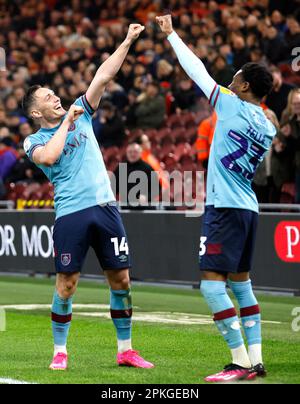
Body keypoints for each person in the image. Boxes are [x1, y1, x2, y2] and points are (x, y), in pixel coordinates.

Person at [22, 24, 154, 371]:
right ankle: (60, 351)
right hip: (71, 214)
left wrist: (127, 41)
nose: (55, 97)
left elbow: (102, 76)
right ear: (36, 113)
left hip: (105, 208)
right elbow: (50, 157)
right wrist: (67, 121)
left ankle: (125, 350)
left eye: (54, 93)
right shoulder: (33, 141)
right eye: (47, 97)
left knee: (121, 280)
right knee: (67, 285)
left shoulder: (82, 110)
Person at [157, 14, 276, 383]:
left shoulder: (228, 102)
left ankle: (239, 362)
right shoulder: (268, 125)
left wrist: (172, 35)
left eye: (237, 76)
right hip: (248, 208)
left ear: (243, 86)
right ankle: (256, 361)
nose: (231, 78)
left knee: (212, 285)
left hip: (224, 206)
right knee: (242, 285)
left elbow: (197, 71)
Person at [114, 142, 160, 209]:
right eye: (130, 152)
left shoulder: (148, 168)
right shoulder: (121, 168)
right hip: (126, 207)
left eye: (135, 152)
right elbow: (114, 187)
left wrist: (147, 197)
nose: (132, 154)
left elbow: (157, 189)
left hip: (144, 208)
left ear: (140, 153)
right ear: (126, 153)